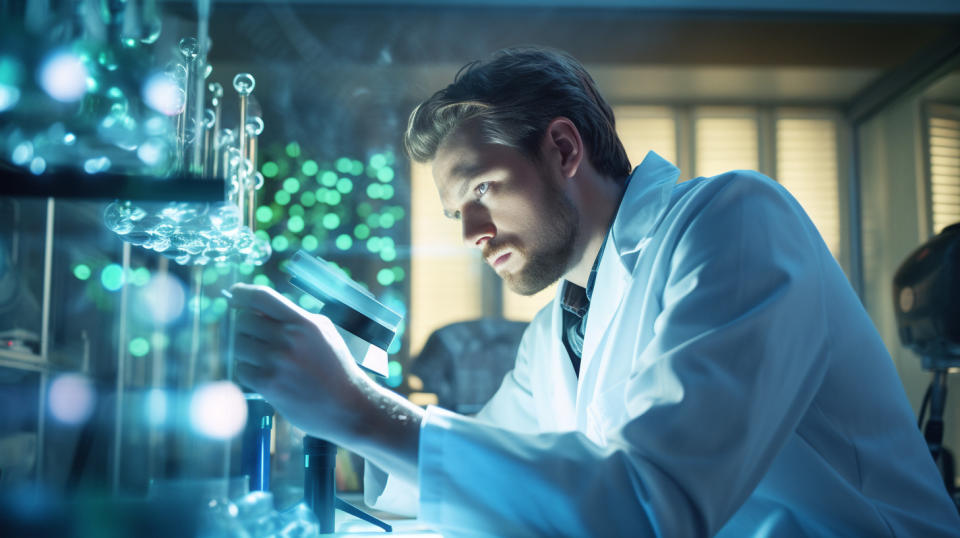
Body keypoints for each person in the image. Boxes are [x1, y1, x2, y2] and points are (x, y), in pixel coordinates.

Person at [228, 47, 960, 536]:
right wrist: (328, 409)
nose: (472, 231)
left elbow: (655, 506)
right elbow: (483, 472)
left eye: (481, 188)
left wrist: (357, 408)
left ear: (565, 149)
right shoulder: (560, 329)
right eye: (456, 213)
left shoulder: (733, 220)